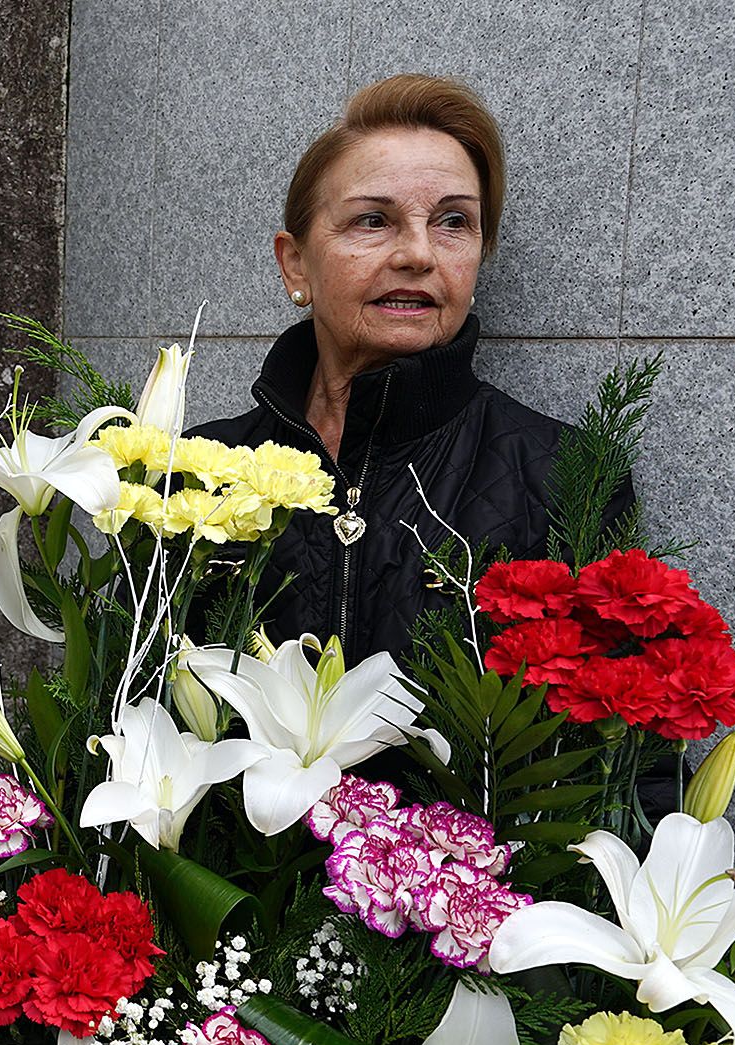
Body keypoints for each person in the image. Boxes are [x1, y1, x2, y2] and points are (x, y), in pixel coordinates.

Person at [185, 73, 633, 661]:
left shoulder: (565, 476)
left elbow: (611, 729)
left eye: (453, 222)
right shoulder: (195, 471)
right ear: (296, 265)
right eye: (373, 220)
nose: (419, 254)